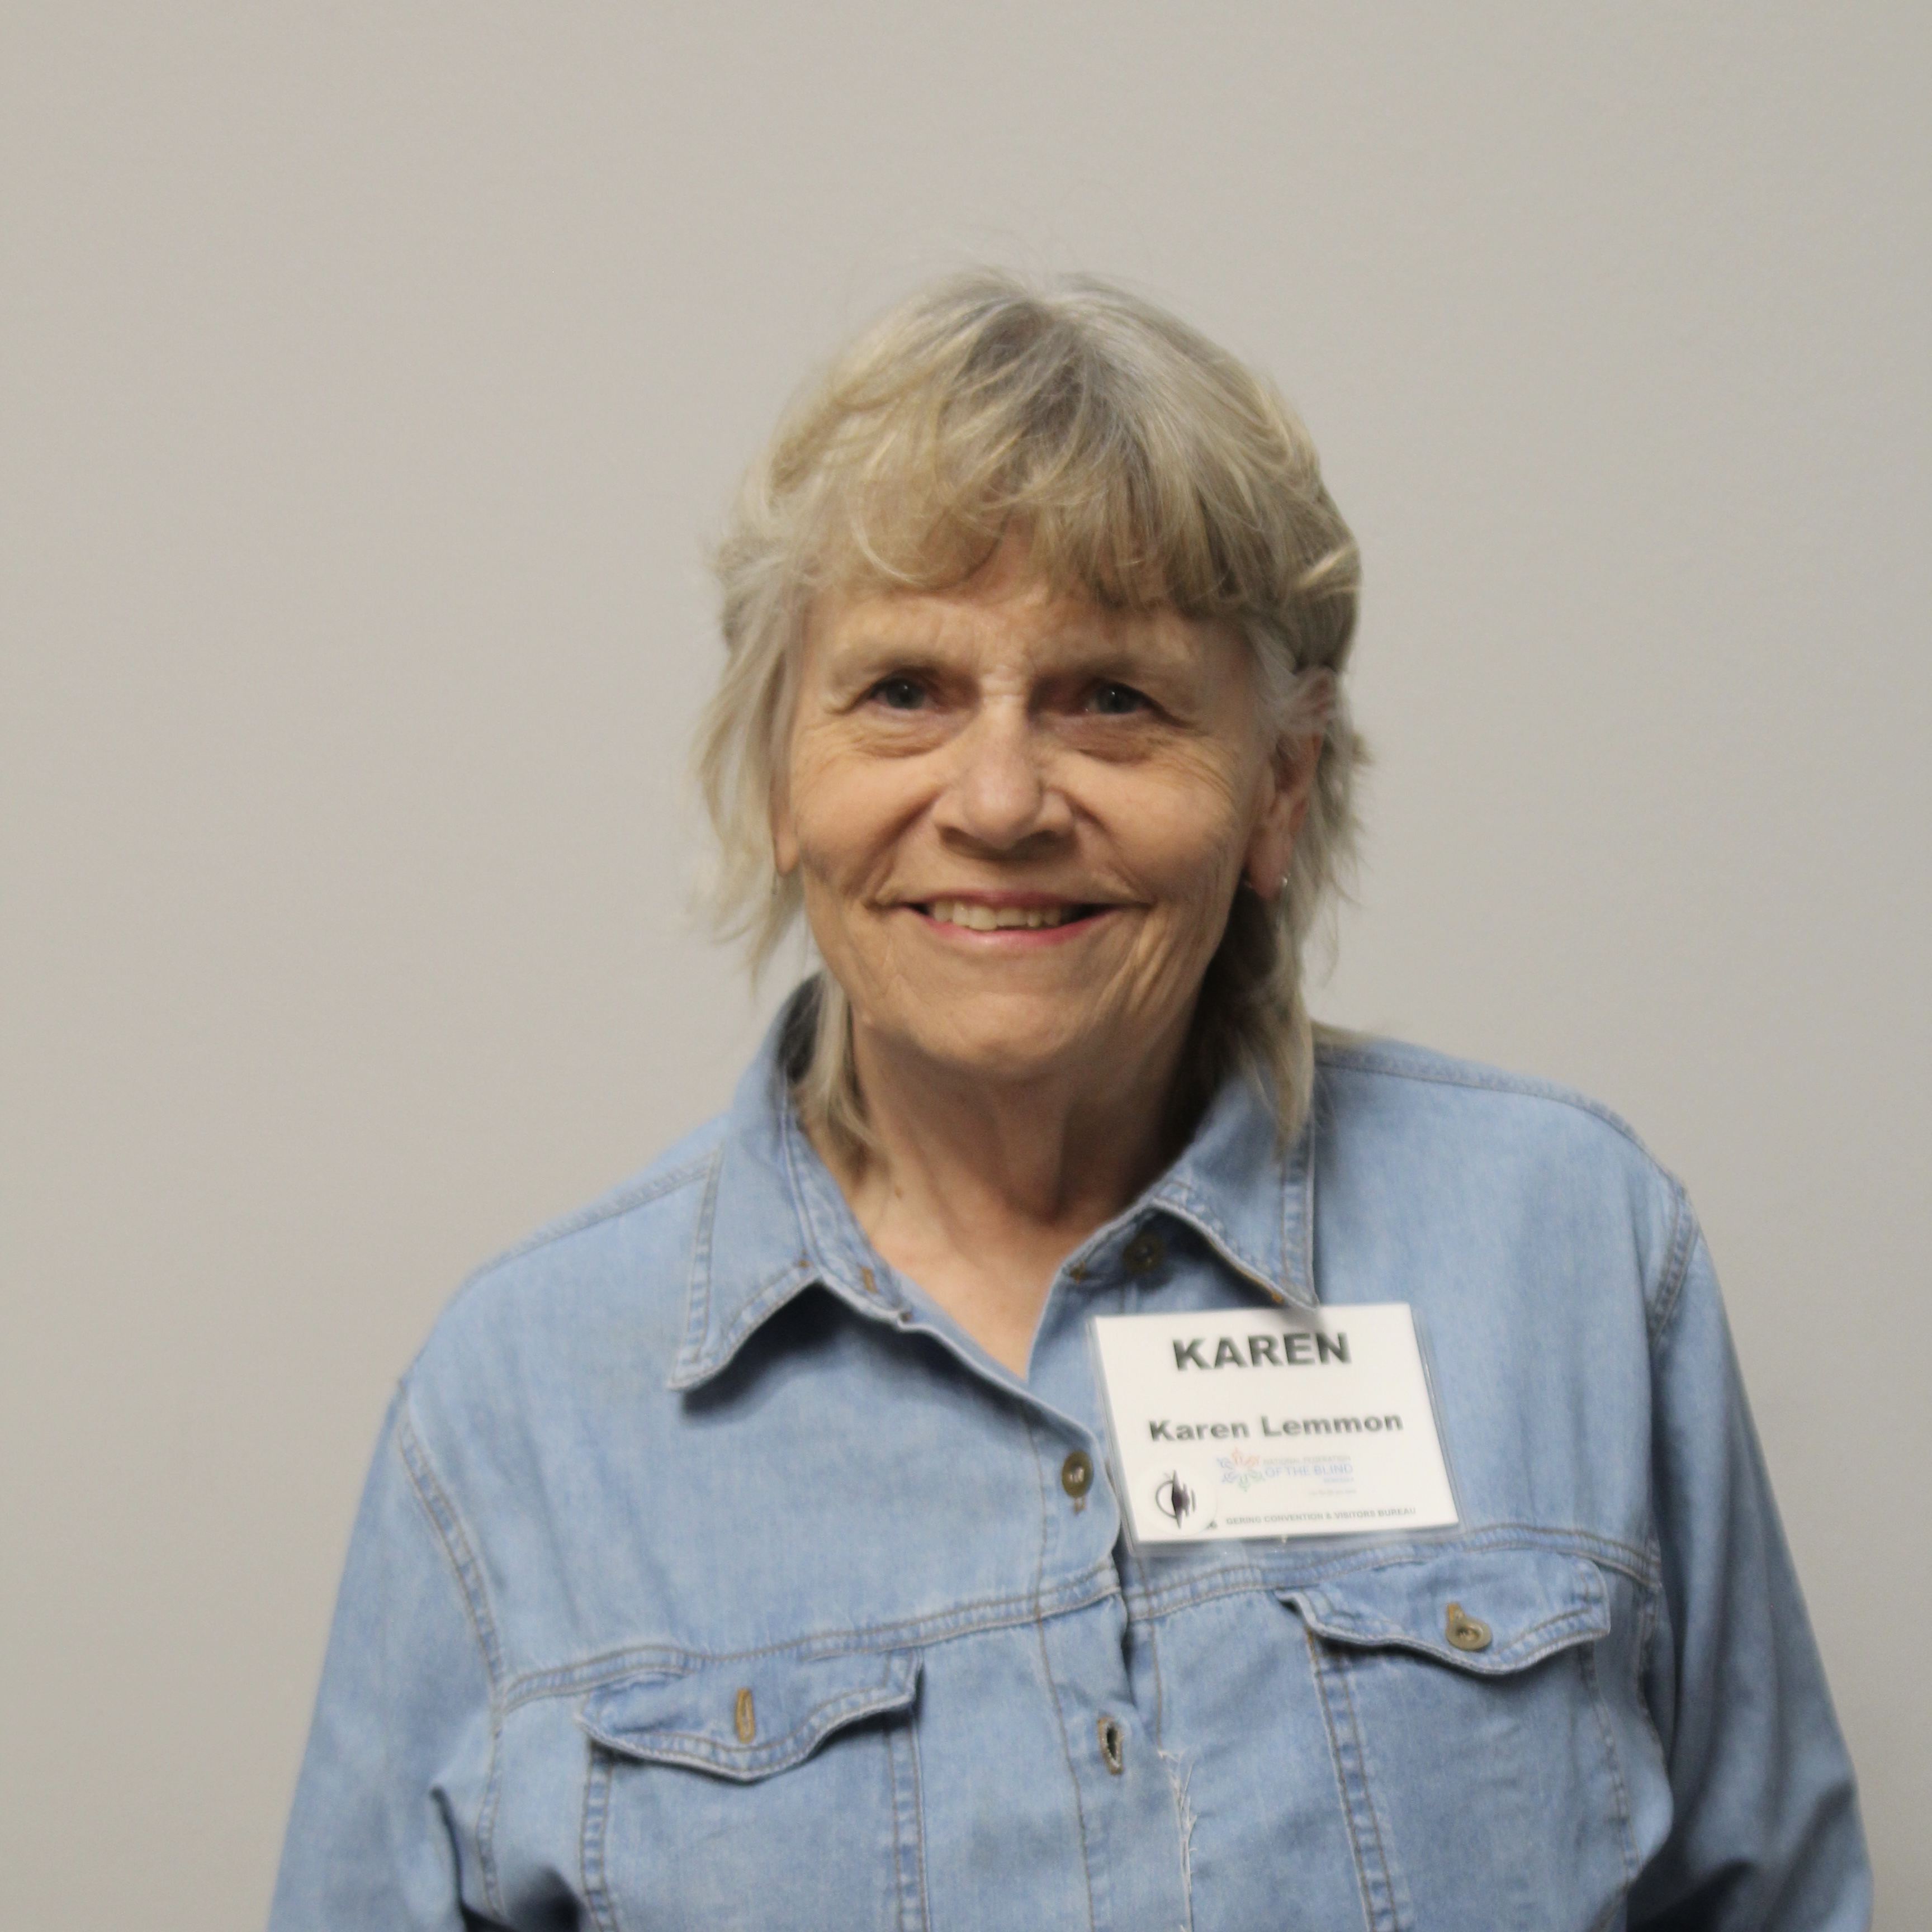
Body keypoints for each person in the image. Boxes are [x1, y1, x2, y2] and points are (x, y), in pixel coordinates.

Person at [268, 271, 1870, 1930]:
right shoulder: (522, 1403)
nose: (1003, 798)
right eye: (904, 691)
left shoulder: (1573, 1256)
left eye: (1114, 696)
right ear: (778, 778)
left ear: (1278, 787)